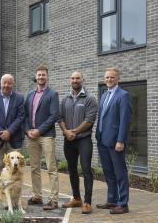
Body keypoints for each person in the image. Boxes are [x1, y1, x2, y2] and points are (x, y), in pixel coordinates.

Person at [59, 71, 98, 214]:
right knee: (72, 170)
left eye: (77, 78)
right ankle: (76, 198)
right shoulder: (65, 99)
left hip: (84, 140)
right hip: (68, 140)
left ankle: (87, 202)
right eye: (73, 78)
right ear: (70, 80)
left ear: (83, 79)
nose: (75, 80)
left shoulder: (90, 98)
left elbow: (90, 120)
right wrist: (66, 131)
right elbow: (60, 118)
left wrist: (74, 132)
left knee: (86, 170)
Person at [96, 67, 132, 214]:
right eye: (107, 77)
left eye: (112, 77)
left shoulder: (123, 95)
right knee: (108, 172)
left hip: (115, 142)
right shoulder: (104, 95)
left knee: (120, 173)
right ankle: (112, 200)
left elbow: (125, 120)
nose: (109, 80)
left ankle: (123, 204)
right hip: (102, 140)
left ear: (118, 79)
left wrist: (121, 140)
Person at [24, 65, 60, 210]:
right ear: (36, 77)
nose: (41, 77)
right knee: (34, 167)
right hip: (31, 135)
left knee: (51, 167)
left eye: (43, 75)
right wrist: (27, 130)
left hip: (46, 136)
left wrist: (39, 130)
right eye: (39, 75)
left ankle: (53, 200)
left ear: (47, 76)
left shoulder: (53, 94)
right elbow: (25, 115)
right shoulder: (30, 94)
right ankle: (37, 196)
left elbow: (53, 116)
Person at [0, 74, 25, 177]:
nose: (6, 85)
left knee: (15, 168)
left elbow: (21, 116)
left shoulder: (19, 98)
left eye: (9, 83)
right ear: (1, 84)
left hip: (14, 139)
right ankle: (3, 191)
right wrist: (1, 133)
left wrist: (9, 131)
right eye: (4, 83)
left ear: (13, 84)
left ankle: (13, 191)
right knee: (0, 167)